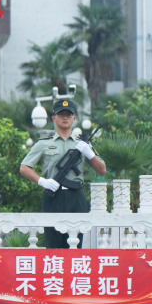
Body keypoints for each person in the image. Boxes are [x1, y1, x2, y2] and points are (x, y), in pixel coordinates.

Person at [19, 99, 106, 249]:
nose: (65, 117)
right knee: (53, 244)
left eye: (68, 114)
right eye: (61, 114)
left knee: (75, 243)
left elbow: (102, 170)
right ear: (54, 118)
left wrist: (90, 154)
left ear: (74, 118)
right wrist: (43, 181)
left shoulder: (82, 144)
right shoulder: (43, 144)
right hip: (53, 196)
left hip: (76, 196)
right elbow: (24, 167)